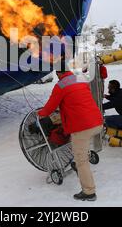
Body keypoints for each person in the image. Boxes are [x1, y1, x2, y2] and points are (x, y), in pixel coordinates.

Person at [38, 67, 103, 201]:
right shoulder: (81, 79)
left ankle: (89, 192)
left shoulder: (60, 85)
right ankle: (78, 161)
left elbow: (50, 107)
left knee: (82, 161)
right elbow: (78, 99)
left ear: (58, 73)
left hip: (82, 128)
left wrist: (40, 114)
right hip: (97, 122)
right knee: (79, 150)